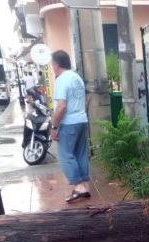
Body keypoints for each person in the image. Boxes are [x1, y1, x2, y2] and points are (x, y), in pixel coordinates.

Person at [50, 50, 91, 203]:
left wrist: (54, 127)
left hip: (68, 123)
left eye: (52, 64)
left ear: (57, 65)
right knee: (80, 154)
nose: (52, 67)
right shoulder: (76, 78)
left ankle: (79, 187)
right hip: (81, 120)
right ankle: (85, 186)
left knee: (66, 155)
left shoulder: (62, 79)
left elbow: (61, 106)